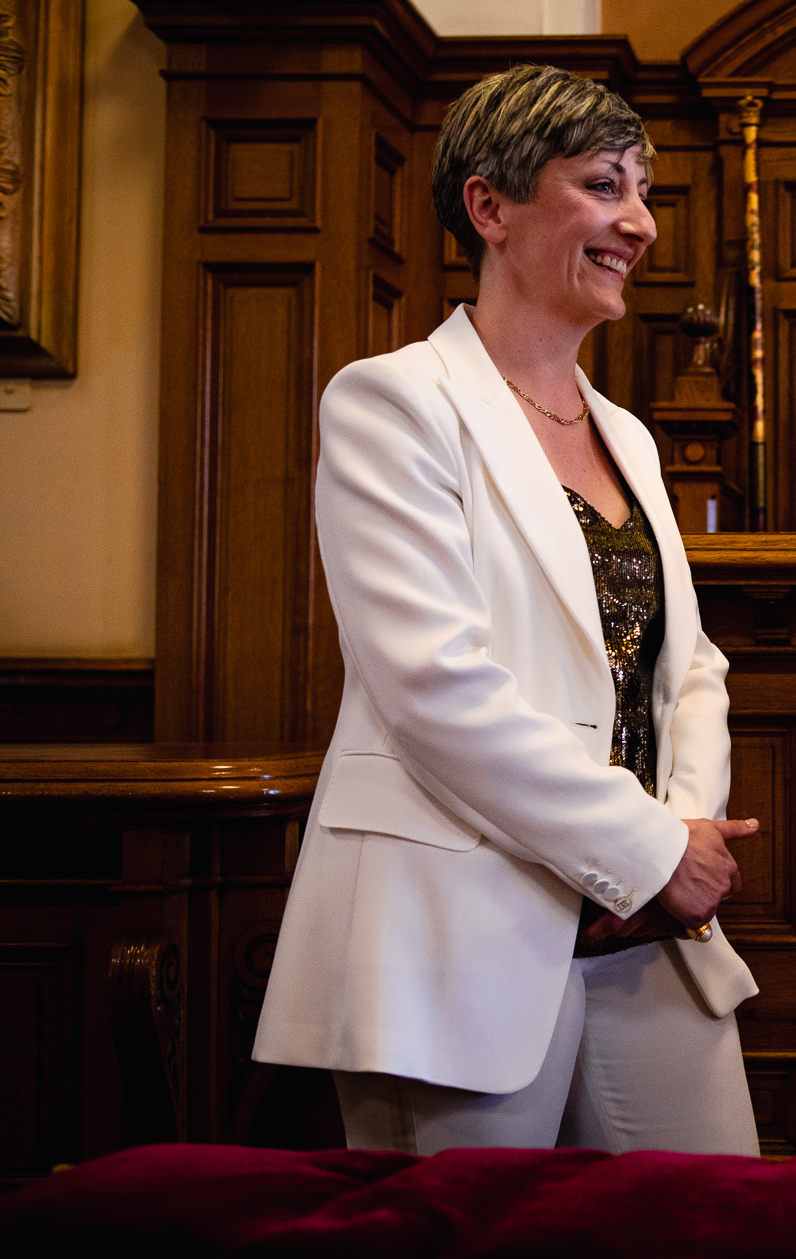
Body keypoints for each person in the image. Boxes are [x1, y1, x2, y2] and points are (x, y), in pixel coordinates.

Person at [253, 64, 762, 1155]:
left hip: (647, 934)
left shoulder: (627, 435)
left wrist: (681, 838)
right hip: (455, 925)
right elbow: (433, 686)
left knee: (711, 1216)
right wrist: (643, 849)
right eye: (602, 185)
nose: (638, 222)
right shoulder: (394, 402)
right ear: (490, 207)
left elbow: (690, 664)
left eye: (642, 191)